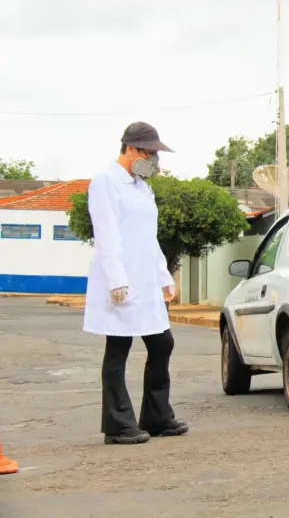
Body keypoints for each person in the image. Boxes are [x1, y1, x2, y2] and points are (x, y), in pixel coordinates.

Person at [83, 121, 188, 444]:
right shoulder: (105, 182)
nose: (154, 159)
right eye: (149, 152)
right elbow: (107, 233)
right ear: (130, 148)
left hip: (145, 282)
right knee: (119, 348)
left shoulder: (142, 187)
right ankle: (117, 425)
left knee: (162, 343)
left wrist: (163, 275)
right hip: (121, 282)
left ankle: (156, 417)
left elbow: (147, 237)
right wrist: (116, 279)